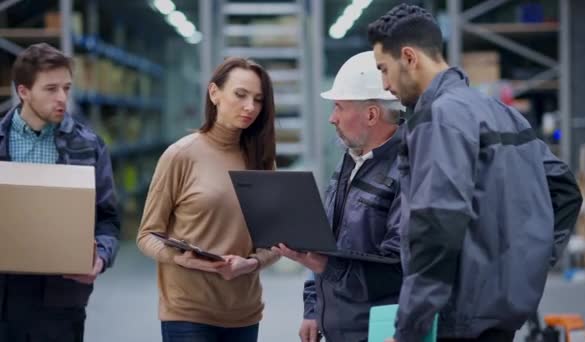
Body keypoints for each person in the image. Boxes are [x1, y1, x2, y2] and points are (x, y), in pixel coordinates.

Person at [367, 4, 583, 342]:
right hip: (502, 317)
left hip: (455, 321)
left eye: (384, 69)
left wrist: (410, 327)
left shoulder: (439, 117)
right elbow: (566, 189)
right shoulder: (501, 112)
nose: (385, 84)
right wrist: (529, 262)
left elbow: (437, 222)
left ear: (409, 57)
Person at [137, 57, 279, 342]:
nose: (250, 107)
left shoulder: (262, 161)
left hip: (244, 313)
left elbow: (276, 242)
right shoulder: (180, 155)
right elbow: (147, 235)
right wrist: (180, 259)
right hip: (188, 312)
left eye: (258, 99)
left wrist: (251, 263)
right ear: (214, 93)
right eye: (240, 95)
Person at [273, 51, 404, 342]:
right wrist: (312, 306)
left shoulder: (408, 169)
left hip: (378, 331)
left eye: (339, 107)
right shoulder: (350, 160)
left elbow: (400, 270)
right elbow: (326, 242)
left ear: (371, 114)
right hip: (338, 326)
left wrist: (325, 266)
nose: (332, 119)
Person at [0, 43, 120, 341]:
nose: (62, 98)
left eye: (66, 87)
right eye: (51, 89)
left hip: (61, 296)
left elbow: (108, 219)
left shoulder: (89, 146)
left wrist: (100, 259)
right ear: (23, 91)